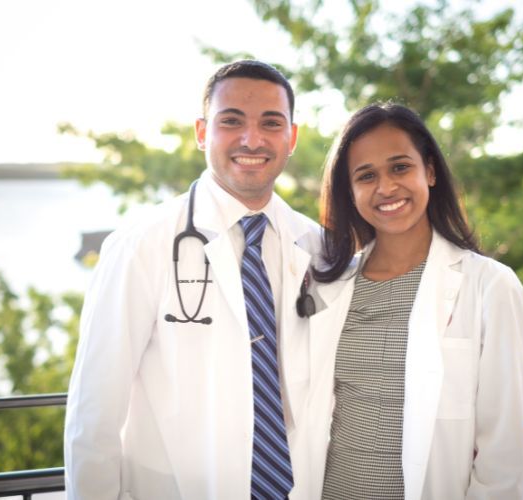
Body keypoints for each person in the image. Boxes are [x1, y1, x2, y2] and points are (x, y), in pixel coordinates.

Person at [64, 60, 328, 499]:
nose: (252, 139)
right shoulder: (139, 245)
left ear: (291, 138)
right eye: (232, 121)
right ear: (202, 132)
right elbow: (95, 414)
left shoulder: (318, 247)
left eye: (271, 123)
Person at [308, 103, 523, 499]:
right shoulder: (330, 286)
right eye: (366, 175)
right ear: (350, 191)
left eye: (400, 167)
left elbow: (502, 449)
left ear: (429, 171)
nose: (386, 187)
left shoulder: (489, 285)